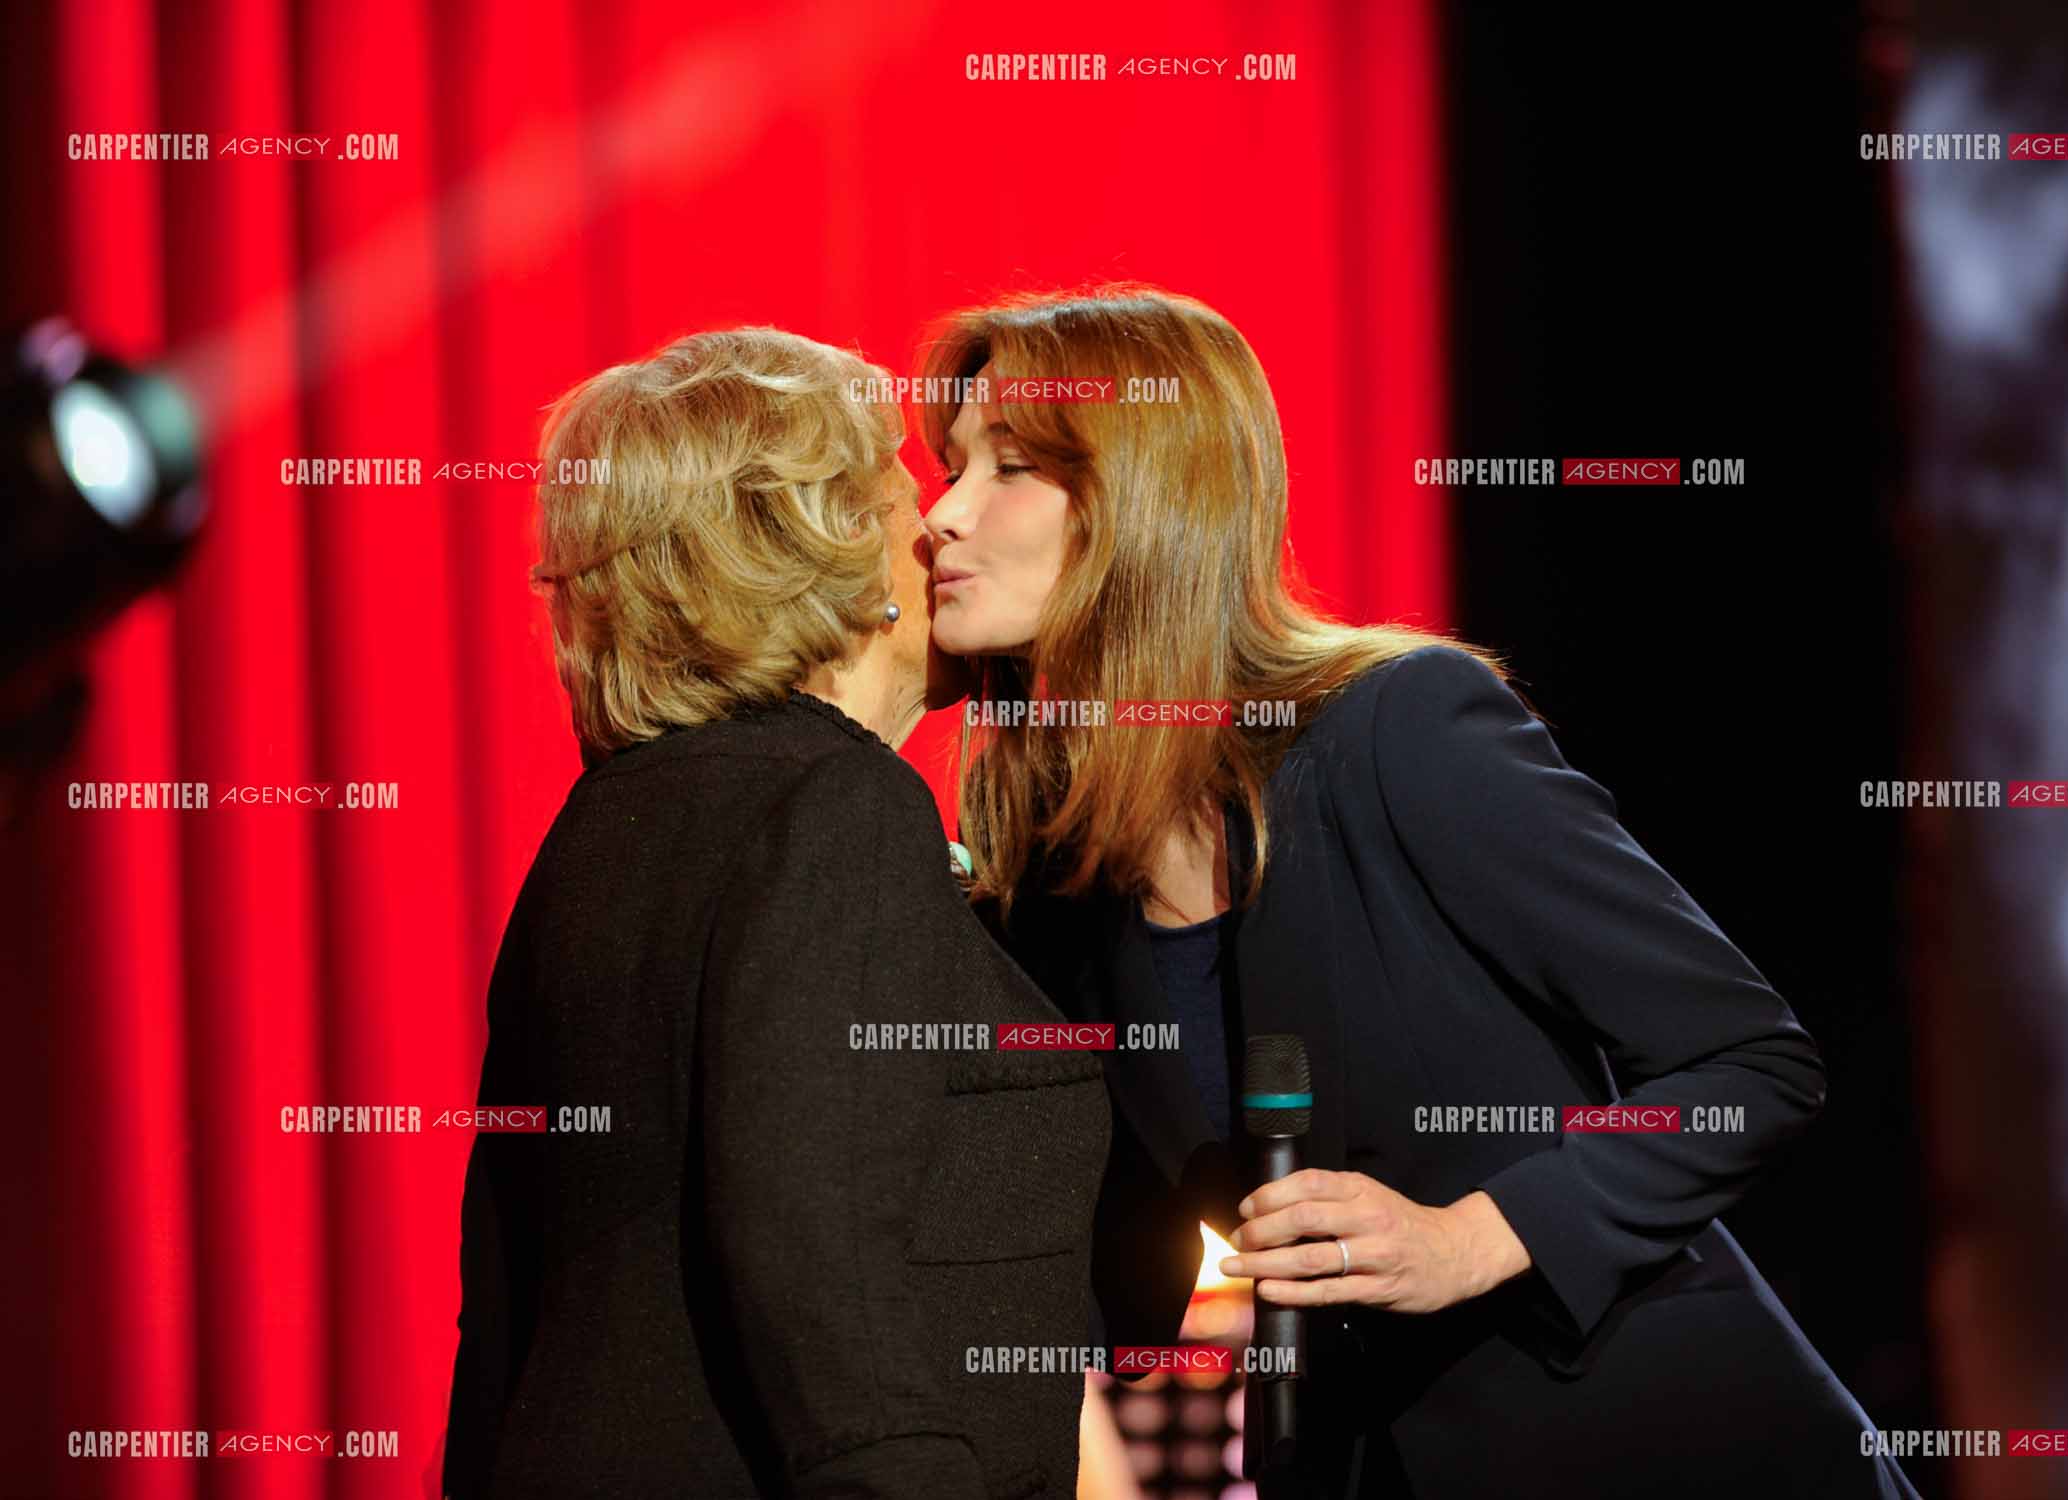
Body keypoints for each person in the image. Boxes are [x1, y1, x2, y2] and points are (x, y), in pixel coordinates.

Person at [915, 285, 1919, 1498]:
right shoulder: (1052, 875)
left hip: (1651, 1442)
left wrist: (1466, 1238)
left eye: (1006, 467)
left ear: (1144, 501)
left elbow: (1751, 1066)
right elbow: (1097, 1274)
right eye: (947, 467)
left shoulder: (1398, 725)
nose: (943, 515)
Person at [441, 327, 1108, 1499]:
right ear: (828, 546)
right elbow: (818, 1254)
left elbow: (501, 1302)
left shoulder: (601, 828)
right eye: (911, 493)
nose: (941, 526)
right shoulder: (839, 809)